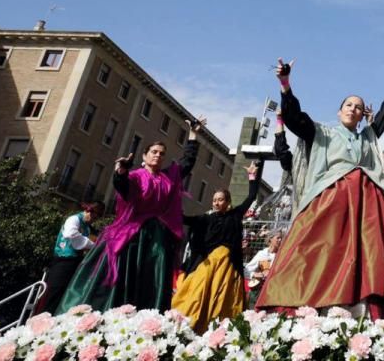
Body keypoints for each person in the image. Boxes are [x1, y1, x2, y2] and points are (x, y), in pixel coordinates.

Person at [255, 59, 384, 336]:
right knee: (320, 249)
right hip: (330, 201)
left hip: (367, 205)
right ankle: (307, 305)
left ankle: (369, 309)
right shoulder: (322, 133)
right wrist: (285, 84)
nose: (354, 109)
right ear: (339, 110)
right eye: (349, 105)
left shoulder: (367, 137)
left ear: (361, 114)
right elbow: (296, 119)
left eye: (358, 107)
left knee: (372, 254)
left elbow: (382, 119)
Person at [58, 119, 202, 313]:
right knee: (120, 266)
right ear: (145, 155)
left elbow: (186, 163)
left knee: (153, 275)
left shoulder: (168, 177)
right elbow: (122, 186)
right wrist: (121, 171)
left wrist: (193, 136)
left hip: (156, 236)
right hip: (132, 232)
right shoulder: (135, 176)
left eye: (162, 153)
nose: (158, 156)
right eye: (154, 152)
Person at [171, 161, 262, 332]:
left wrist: (252, 176)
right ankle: (187, 322)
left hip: (227, 263)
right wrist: (171, 203)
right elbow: (187, 219)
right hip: (208, 261)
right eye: (214, 200)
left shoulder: (235, 215)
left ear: (227, 202)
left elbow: (251, 196)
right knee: (197, 287)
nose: (216, 203)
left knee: (220, 296)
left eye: (220, 200)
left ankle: (216, 326)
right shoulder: (207, 218)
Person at [37, 201, 104, 313]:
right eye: (94, 216)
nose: (93, 219)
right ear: (88, 211)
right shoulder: (74, 219)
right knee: (54, 292)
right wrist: (93, 245)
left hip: (74, 263)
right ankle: (43, 316)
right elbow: (71, 234)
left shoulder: (87, 228)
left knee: (63, 294)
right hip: (63, 261)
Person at [244, 230, 283, 305]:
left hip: (275, 291)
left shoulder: (282, 255)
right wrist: (256, 274)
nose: (280, 240)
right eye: (278, 238)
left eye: (281, 238)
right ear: (270, 239)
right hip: (259, 291)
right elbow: (246, 271)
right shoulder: (262, 254)